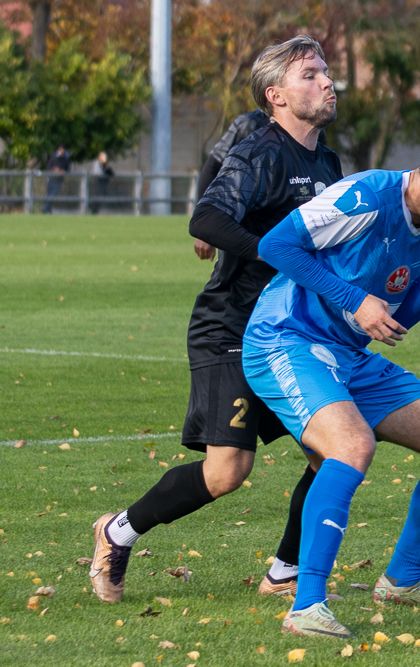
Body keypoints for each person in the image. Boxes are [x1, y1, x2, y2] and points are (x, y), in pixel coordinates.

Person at [90, 35, 343, 604]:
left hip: (290, 332)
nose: (327, 82)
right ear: (275, 95)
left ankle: (284, 570)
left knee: (333, 450)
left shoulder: (327, 161)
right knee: (228, 471)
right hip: (231, 327)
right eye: (311, 74)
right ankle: (117, 531)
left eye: (326, 71)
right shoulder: (260, 152)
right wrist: (272, 252)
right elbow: (206, 218)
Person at [242, 133, 420, 638]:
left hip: (348, 356)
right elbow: (275, 245)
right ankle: (307, 605)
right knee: (352, 444)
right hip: (285, 340)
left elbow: (399, 319)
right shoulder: (365, 196)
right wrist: (354, 298)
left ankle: (401, 581)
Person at [193, 111, 326, 261]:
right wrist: (206, 232)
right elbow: (213, 166)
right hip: (246, 251)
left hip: (292, 243)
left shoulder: (314, 132)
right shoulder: (247, 124)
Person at [42, 145, 71, 214]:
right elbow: (48, 166)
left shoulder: (66, 159)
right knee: (49, 195)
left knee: (53, 195)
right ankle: (47, 210)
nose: (61, 151)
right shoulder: (54, 157)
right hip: (51, 179)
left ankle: (45, 210)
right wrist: (54, 169)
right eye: (60, 150)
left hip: (58, 180)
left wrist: (63, 171)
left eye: (62, 150)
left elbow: (67, 169)